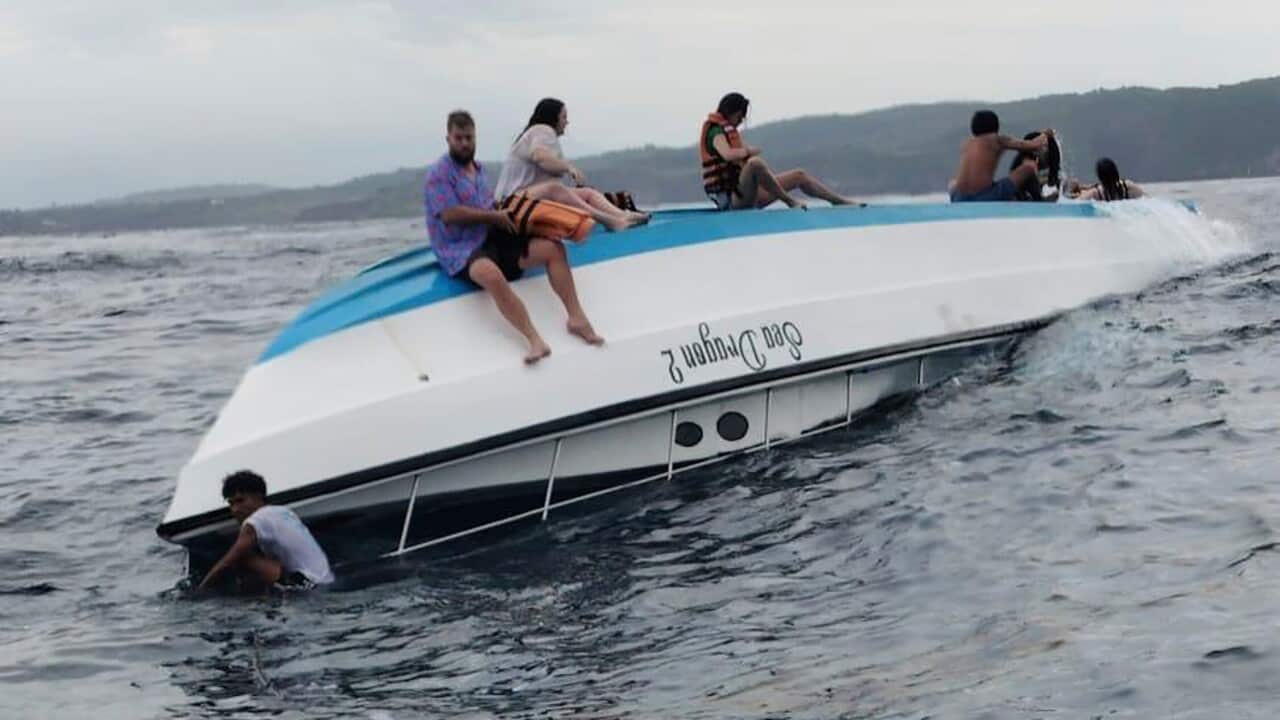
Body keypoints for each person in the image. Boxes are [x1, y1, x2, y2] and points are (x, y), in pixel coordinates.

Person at [425, 110, 603, 364]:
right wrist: (494, 218)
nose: (464, 143)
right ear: (448, 139)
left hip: (490, 235)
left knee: (552, 249)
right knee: (490, 275)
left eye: (469, 138)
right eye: (459, 138)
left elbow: (488, 205)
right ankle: (534, 340)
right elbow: (450, 214)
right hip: (460, 249)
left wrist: (512, 216)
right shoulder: (438, 174)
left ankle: (577, 318)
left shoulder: (479, 169)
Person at [494, 98, 647, 232]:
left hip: (525, 197)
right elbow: (539, 156)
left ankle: (623, 215)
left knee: (588, 193)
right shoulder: (543, 130)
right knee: (555, 189)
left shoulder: (539, 134)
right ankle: (610, 221)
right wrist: (568, 167)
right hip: (510, 204)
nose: (567, 122)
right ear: (553, 118)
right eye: (564, 117)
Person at [700, 92, 858, 210]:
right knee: (755, 163)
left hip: (748, 194)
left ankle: (838, 201)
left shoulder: (729, 131)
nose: (741, 121)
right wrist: (747, 151)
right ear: (731, 112)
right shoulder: (716, 132)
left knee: (799, 175)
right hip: (732, 201)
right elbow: (727, 155)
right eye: (740, 116)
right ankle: (789, 202)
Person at [197, 471, 334, 593]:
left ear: (259, 496)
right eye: (231, 504)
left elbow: (229, 560)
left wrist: (200, 590)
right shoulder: (284, 511)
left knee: (242, 557)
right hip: (326, 580)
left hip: (306, 585)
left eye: (240, 501)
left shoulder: (256, 521)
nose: (235, 510)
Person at [949, 110, 1052, 202]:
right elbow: (1033, 145)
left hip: (958, 198)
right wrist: (1046, 134)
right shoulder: (997, 139)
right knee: (1028, 167)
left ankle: (1015, 197)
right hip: (983, 198)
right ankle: (1040, 199)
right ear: (996, 126)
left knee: (953, 183)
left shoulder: (967, 144)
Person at [1073, 157, 1146, 201]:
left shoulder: (1096, 193)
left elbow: (1077, 203)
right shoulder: (1128, 187)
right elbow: (1148, 199)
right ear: (1116, 172)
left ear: (1100, 177)